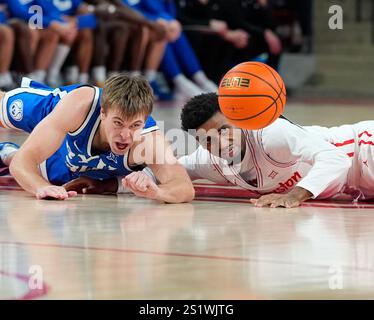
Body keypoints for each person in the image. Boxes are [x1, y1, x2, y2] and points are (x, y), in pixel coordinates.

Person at [62, 92, 374, 208]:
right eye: (207, 140)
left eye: (224, 130)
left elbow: (335, 159)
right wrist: (110, 185)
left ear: (237, 121)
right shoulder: (209, 161)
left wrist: (294, 196)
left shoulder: (269, 132)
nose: (220, 143)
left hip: (364, 147)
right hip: (359, 185)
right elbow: (168, 177)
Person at [0, 74, 194, 203]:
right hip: (52, 112)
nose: (126, 135)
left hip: (71, 165)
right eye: (118, 123)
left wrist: (157, 193)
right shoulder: (78, 107)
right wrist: (39, 188)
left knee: (54, 178)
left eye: (135, 125)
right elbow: (23, 163)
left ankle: (6, 151)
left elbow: (184, 187)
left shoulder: (150, 142)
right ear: (103, 113)